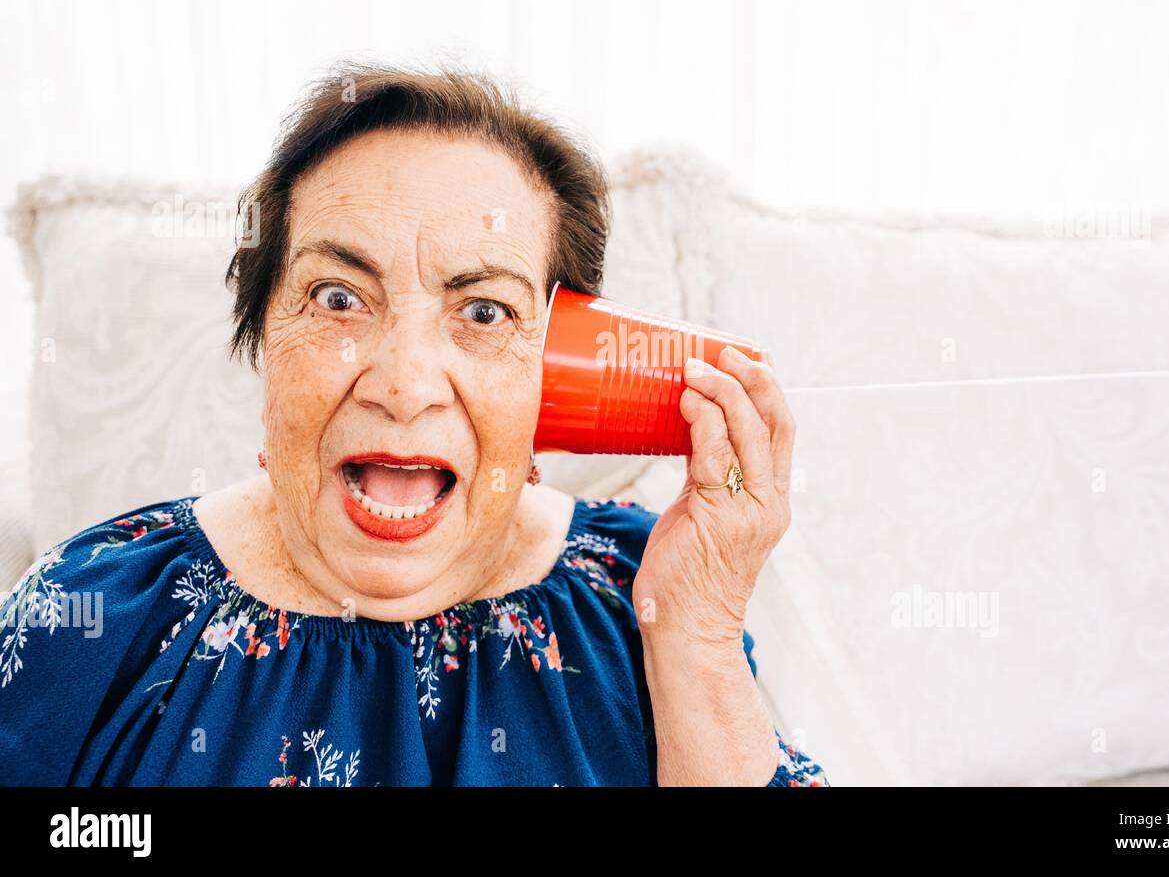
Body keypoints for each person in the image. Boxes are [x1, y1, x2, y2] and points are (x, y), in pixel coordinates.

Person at [0, 64, 827, 786]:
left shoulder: (646, 603)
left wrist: (700, 643)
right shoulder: (90, 616)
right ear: (262, 342)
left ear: (553, 368)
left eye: (484, 310)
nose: (403, 386)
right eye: (338, 298)